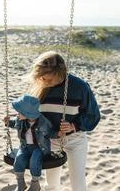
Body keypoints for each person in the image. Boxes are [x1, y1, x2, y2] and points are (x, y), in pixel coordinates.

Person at [27, 51, 100, 191]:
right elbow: (30, 113)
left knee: (78, 185)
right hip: (51, 140)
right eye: (41, 78)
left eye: (48, 79)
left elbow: (93, 116)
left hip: (75, 140)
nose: (44, 82)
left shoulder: (80, 87)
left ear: (60, 73)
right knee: (51, 185)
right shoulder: (40, 87)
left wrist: (74, 125)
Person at [3, 94, 57, 191]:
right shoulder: (20, 120)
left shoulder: (43, 122)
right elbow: (14, 124)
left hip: (40, 148)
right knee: (18, 160)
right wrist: (7, 123)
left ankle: (35, 184)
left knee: (35, 160)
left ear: (28, 113)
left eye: (19, 112)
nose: (17, 114)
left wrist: (59, 134)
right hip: (25, 146)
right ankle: (21, 183)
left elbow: (50, 133)